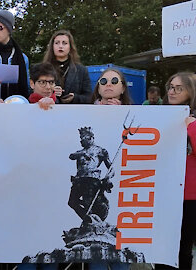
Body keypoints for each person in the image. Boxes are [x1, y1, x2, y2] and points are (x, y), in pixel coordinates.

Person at [88, 68, 132, 270]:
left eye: (114, 80)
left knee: (120, 249)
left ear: (123, 88)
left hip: (124, 185)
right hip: (96, 187)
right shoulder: (84, 113)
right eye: (103, 81)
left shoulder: (136, 115)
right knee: (97, 247)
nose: (108, 84)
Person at [155, 72, 196, 270]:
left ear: (190, 91)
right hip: (162, 191)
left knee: (183, 248)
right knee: (161, 248)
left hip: (188, 194)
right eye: (170, 87)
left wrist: (192, 127)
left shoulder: (194, 119)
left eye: (178, 88)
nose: (172, 91)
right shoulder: (159, 114)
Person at [42, 30, 91, 104]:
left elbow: (89, 97)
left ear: (70, 47)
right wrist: (50, 92)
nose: (60, 46)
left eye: (64, 43)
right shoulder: (43, 69)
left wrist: (75, 97)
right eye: (57, 43)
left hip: (74, 112)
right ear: (52, 46)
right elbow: (33, 94)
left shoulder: (81, 70)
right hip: (49, 111)